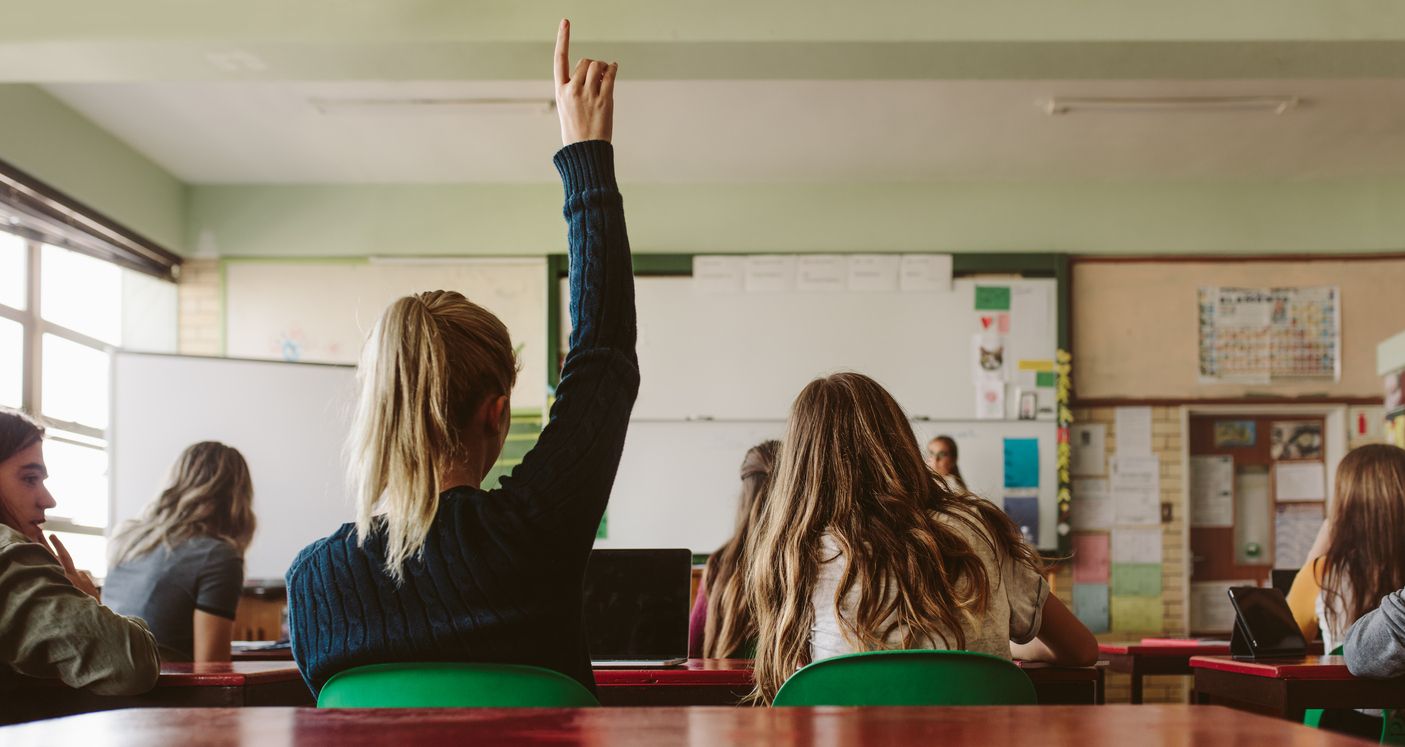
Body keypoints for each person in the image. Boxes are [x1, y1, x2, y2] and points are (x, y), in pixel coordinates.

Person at [285, 19, 635, 697]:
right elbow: (603, 351)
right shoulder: (532, 535)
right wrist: (585, 151)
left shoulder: (313, 582)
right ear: (496, 413)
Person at [746, 373, 1097, 704]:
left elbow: (794, 685)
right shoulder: (977, 528)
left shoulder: (795, 553)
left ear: (799, 464)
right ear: (900, 443)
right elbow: (1081, 649)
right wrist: (1008, 644)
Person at [0, 408, 160, 696]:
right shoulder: (11, 556)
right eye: (29, 479)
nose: (48, 500)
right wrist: (91, 603)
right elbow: (131, 665)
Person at [104, 442, 256, 663]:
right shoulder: (219, 556)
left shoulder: (127, 539)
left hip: (104, 687)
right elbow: (212, 668)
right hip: (163, 692)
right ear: (237, 496)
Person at [1286, 444, 1405, 651]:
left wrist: (1317, 552)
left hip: (1340, 684)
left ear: (1345, 502)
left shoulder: (1322, 573)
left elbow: (1281, 640)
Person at [688, 440, 780, 659]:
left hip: (722, 690)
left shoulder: (720, 563)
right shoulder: (800, 558)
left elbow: (691, 650)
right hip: (785, 691)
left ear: (743, 495)